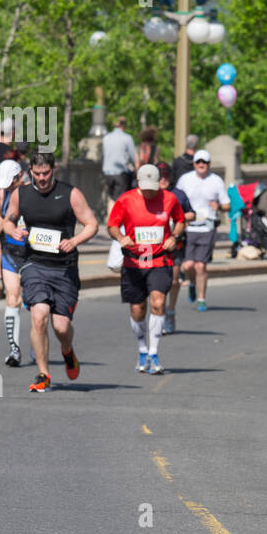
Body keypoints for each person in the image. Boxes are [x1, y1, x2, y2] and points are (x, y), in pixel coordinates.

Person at [1, 151, 99, 392]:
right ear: (30, 172)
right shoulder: (20, 194)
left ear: (53, 170)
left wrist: (74, 241)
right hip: (34, 264)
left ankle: (67, 350)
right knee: (38, 316)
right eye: (37, 174)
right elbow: (7, 220)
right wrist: (12, 231)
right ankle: (43, 373)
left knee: (61, 328)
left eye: (46, 173)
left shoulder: (70, 194)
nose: (42, 178)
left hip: (64, 268)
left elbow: (92, 224)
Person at [107, 164, 184, 374]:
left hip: (159, 261)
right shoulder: (126, 200)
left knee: (158, 303)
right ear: (139, 183)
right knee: (137, 309)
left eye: (153, 187)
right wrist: (121, 238)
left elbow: (180, 220)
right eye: (146, 187)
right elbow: (112, 225)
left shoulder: (169, 199)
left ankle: (153, 352)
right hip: (134, 262)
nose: (150, 192)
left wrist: (173, 237)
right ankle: (142, 349)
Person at [175, 150, 229, 312]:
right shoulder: (185, 179)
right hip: (189, 227)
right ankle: (192, 283)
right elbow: (175, 199)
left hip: (208, 226)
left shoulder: (216, 181)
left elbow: (227, 205)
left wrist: (218, 207)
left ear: (209, 164)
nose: (201, 165)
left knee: (200, 266)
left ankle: (201, 298)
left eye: (204, 162)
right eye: (198, 162)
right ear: (193, 164)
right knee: (188, 266)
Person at [0, 159, 29, 366]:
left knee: (34, 303)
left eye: (10, 183)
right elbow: (1, 216)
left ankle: (38, 343)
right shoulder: (3, 194)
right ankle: (14, 349)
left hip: (32, 253)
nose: (7, 188)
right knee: (12, 297)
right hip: (11, 252)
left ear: (19, 177)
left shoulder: (32, 194)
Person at [156, 162, 196, 334]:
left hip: (174, 242)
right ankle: (159, 312)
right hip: (154, 245)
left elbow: (191, 214)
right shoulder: (149, 194)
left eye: (166, 175)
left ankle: (170, 313)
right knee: (157, 283)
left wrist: (176, 216)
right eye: (160, 175)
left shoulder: (178, 195)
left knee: (172, 280)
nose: (163, 179)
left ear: (171, 177)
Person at [101, 116, 137, 215]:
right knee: (119, 198)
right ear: (124, 125)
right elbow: (133, 157)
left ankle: (110, 221)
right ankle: (115, 223)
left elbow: (103, 154)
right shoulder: (127, 138)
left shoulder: (106, 137)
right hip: (120, 172)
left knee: (111, 197)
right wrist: (136, 169)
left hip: (107, 172)